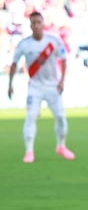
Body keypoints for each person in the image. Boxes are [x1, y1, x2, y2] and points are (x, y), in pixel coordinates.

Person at [7, 11, 75, 163]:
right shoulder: (25, 44)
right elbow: (14, 63)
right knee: (30, 117)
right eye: (33, 23)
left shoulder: (53, 41)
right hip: (35, 87)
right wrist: (10, 85)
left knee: (60, 117)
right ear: (30, 25)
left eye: (39, 22)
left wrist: (62, 80)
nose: (36, 25)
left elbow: (64, 59)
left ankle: (61, 146)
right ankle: (29, 151)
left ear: (43, 24)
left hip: (52, 86)